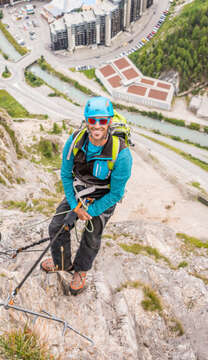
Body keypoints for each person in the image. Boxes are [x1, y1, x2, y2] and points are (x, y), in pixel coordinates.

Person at [40, 96, 132, 295]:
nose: (97, 125)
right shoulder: (75, 141)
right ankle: (62, 263)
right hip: (80, 191)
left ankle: (81, 270)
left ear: (109, 121)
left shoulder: (121, 154)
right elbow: (65, 174)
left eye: (102, 121)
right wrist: (75, 207)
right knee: (57, 225)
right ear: (87, 121)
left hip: (104, 196)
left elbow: (116, 192)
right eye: (93, 120)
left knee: (92, 234)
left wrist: (90, 211)